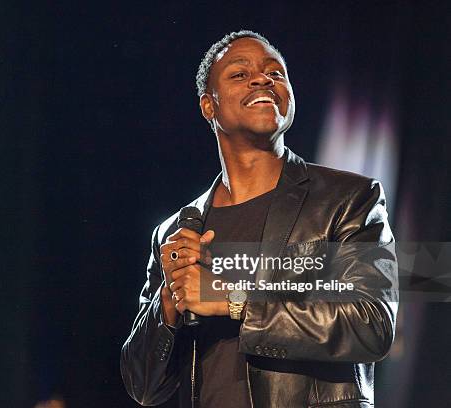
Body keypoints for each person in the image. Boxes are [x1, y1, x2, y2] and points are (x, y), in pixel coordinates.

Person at [120, 30, 398, 408]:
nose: (263, 79)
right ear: (209, 106)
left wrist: (232, 300)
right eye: (239, 74)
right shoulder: (176, 231)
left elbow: (372, 326)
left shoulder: (348, 199)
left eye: (276, 73)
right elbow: (144, 386)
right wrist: (169, 302)